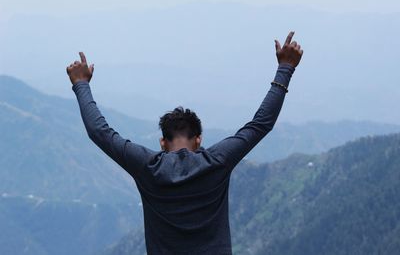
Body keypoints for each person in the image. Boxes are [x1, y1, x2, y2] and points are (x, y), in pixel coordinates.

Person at [67, 31, 303, 255]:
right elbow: (260, 124)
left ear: (162, 142)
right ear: (198, 140)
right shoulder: (217, 162)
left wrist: (81, 84)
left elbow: (100, 133)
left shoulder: (147, 167)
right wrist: (285, 68)